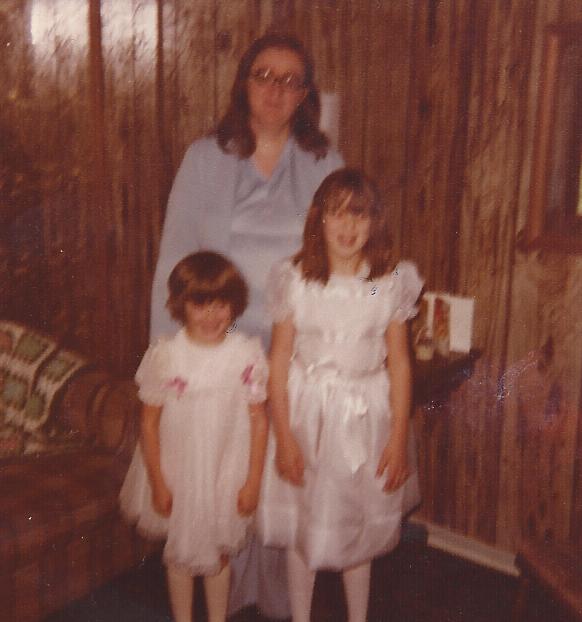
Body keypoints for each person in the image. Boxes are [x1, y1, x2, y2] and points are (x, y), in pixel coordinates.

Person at [149, 32, 343, 617]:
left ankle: (277, 594)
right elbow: (175, 255)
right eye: (264, 75)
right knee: (223, 468)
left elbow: (342, 256)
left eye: (291, 80)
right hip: (217, 343)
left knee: (274, 468)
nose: (275, 90)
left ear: (306, 93)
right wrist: (168, 352)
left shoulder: (323, 161)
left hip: (293, 347)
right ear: (243, 83)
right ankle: (224, 596)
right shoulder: (205, 156)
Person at [258, 168, 424, 622]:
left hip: (365, 418)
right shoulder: (297, 281)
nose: (348, 228)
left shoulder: (384, 283)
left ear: (375, 223)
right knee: (302, 524)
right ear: (318, 221)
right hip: (306, 416)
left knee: (357, 527)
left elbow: (401, 364)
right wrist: (285, 437)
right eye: (337, 215)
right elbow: (278, 362)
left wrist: (396, 438)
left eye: (359, 216)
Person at [120, 251, 269, 622]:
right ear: (180, 305)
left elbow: (259, 421)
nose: (211, 316)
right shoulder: (166, 356)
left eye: (221, 305)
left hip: (224, 470)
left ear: (234, 306)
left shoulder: (245, 355)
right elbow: (149, 423)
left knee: (218, 554)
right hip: (178, 471)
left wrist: (252, 481)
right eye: (200, 305)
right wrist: (156, 480)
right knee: (181, 554)